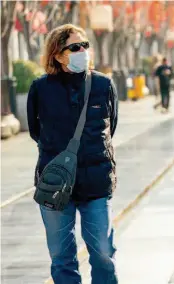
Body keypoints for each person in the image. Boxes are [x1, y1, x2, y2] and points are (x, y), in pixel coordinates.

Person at [27, 24, 118, 284]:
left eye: (85, 45)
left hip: (96, 182)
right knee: (61, 256)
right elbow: (36, 131)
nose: (83, 51)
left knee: (103, 252)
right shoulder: (40, 88)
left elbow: (111, 126)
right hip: (55, 183)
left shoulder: (103, 84)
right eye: (75, 47)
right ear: (57, 55)